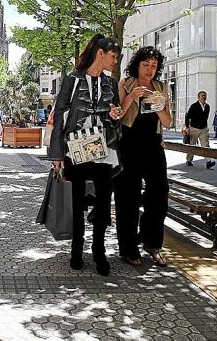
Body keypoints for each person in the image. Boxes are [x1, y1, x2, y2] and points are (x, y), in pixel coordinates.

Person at [49, 33, 122, 276]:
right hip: (76, 148)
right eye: (113, 56)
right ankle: (76, 250)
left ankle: (99, 251)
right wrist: (56, 153)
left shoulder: (111, 83)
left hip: (102, 150)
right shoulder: (72, 79)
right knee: (77, 201)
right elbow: (59, 115)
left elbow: (115, 116)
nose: (115, 61)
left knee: (103, 203)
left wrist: (113, 115)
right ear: (100, 54)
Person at [115, 46, 172, 267]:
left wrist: (159, 106)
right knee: (128, 198)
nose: (150, 70)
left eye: (154, 66)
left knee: (159, 194)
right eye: (146, 65)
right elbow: (116, 116)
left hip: (153, 146)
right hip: (128, 146)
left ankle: (152, 243)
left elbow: (167, 122)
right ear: (137, 64)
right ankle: (128, 248)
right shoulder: (125, 83)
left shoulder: (160, 87)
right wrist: (131, 97)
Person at [184, 91, 216, 169]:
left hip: (204, 129)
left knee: (206, 146)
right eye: (202, 96)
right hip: (194, 129)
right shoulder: (194, 106)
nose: (204, 97)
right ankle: (189, 160)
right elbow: (187, 116)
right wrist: (187, 127)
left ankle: (208, 162)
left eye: (205, 95)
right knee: (192, 146)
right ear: (198, 97)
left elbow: (205, 117)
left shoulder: (207, 106)